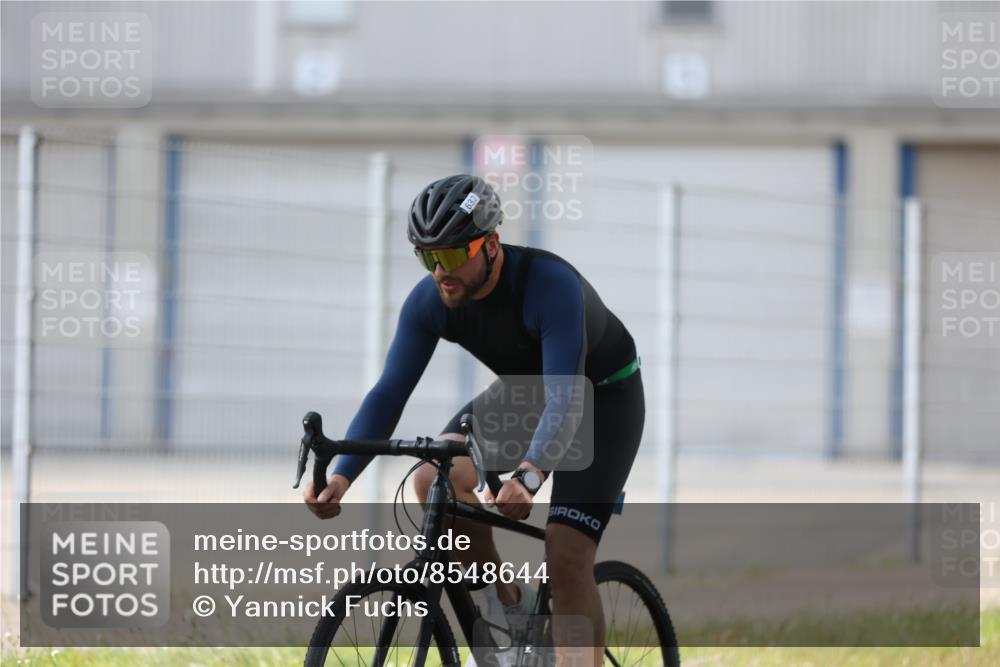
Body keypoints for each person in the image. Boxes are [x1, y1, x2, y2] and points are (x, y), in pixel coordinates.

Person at [303, 174, 645, 666]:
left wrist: (530, 475)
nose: (441, 271)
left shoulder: (550, 286)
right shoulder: (431, 301)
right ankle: (512, 612)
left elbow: (567, 400)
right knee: (433, 479)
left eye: (452, 255)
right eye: (428, 258)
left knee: (566, 553)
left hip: (604, 399)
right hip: (529, 396)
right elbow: (389, 393)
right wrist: (341, 476)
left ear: (492, 244)